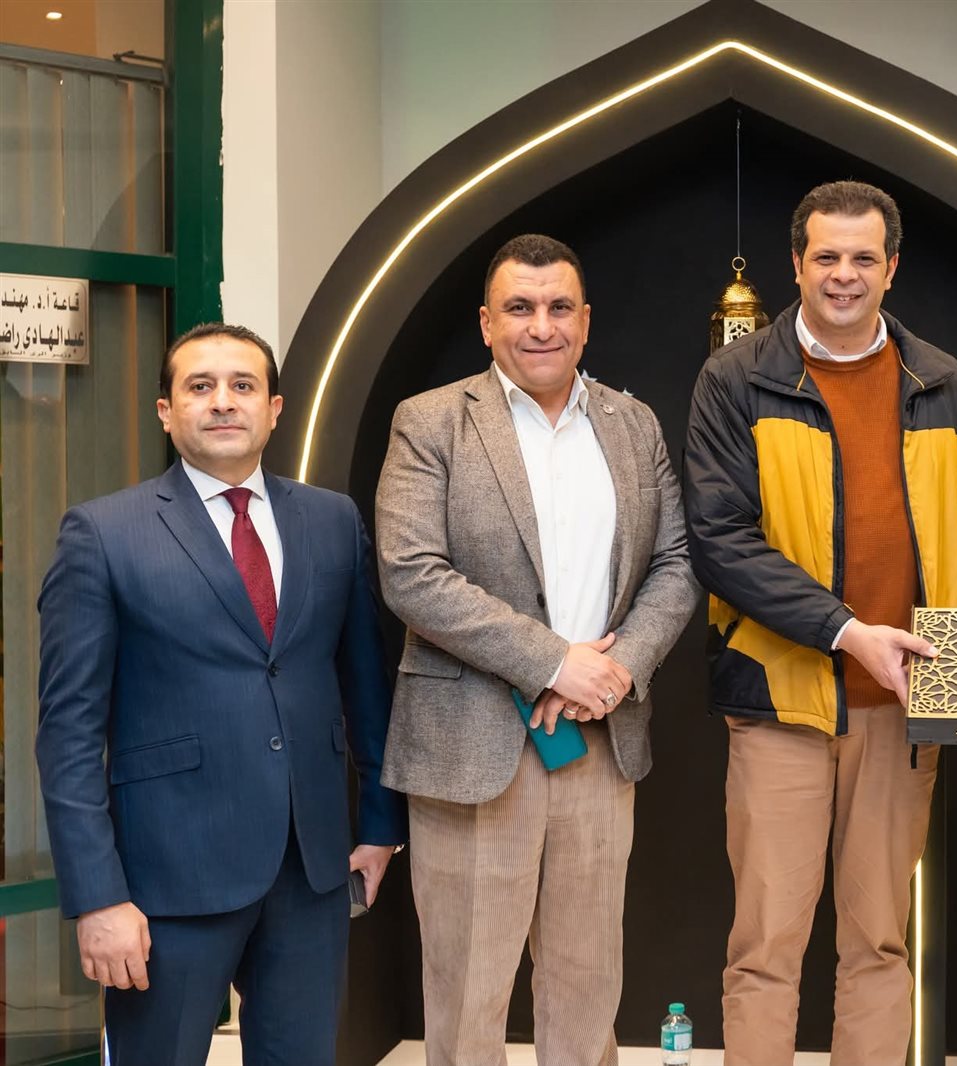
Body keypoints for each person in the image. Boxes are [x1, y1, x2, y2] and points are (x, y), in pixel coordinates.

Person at [35, 323, 405, 1065]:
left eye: (242, 386)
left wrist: (379, 822)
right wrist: (98, 895)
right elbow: (67, 734)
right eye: (199, 387)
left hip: (310, 869)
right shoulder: (103, 533)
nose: (223, 402)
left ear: (275, 408)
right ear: (166, 411)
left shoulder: (332, 520)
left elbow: (365, 682)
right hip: (165, 880)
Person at [683, 179, 957, 1065]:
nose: (844, 275)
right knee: (766, 946)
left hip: (903, 711)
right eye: (827, 256)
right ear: (796, 264)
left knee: (880, 943)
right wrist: (848, 631)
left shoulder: (943, 382)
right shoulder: (736, 379)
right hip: (780, 703)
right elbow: (719, 540)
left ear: (892, 268)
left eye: (863, 258)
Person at [375, 233, 698, 1065]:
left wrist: (614, 672)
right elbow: (411, 573)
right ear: (487, 323)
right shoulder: (431, 421)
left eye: (559, 308)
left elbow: (675, 564)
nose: (541, 326)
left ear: (586, 321)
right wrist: (556, 663)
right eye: (519, 308)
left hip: (598, 738)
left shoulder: (632, 424)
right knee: (468, 995)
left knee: (587, 984)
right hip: (474, 746)